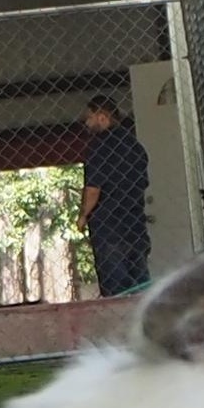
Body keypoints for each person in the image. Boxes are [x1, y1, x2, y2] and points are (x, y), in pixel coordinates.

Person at [79, 95, 151, 297]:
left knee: (116, 289)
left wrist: (83, 215)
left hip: (109, 226)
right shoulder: (135, 146)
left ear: (102, 117)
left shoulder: (99, 148)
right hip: (135, 224)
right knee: (139, 284)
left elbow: (94, 189)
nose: (86, 122)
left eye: (89, 117)